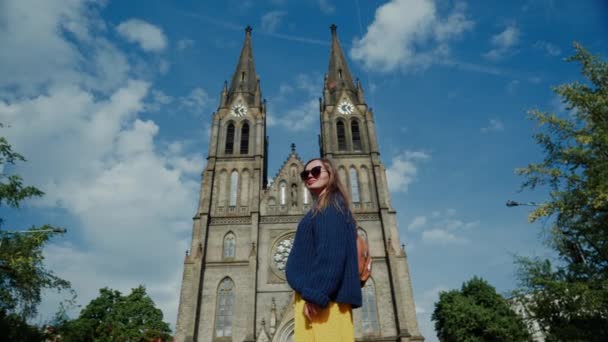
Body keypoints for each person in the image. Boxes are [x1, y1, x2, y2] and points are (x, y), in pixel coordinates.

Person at [285, 158, 362, 341]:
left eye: (316, 171)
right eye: (306, 174)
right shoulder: (326, 205)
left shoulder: (331, 205)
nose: (310, 176)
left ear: (331, 174)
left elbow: (331, 254)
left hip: (323, 304)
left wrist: (316, 295)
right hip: (319, 300)